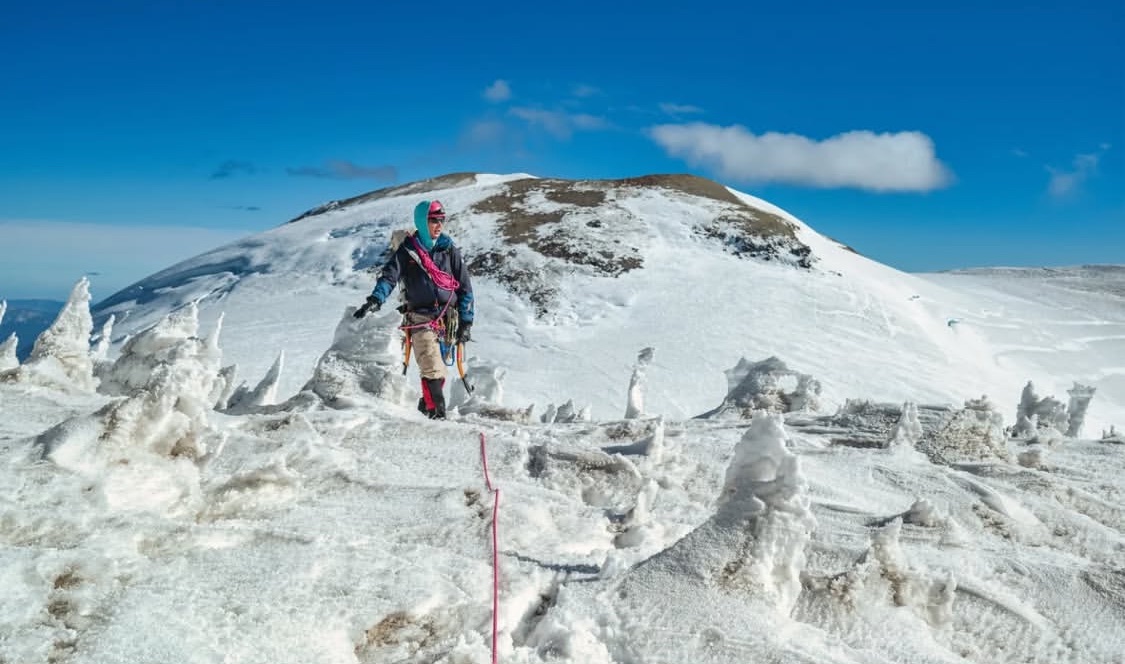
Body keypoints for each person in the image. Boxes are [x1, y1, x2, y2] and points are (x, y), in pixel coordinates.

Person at [354, 199, 474, 419]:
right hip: (420, 318)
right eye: (434, 220)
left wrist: (466, 321)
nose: (439, 224)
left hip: (449, 319)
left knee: (439, 369)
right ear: (422, 221)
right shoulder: (408, 252)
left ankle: (425, 406)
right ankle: (437, 415)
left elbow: (465, 287)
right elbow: (389, 277)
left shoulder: (449, 250)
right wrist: (375, 299)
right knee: (432, 367)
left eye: (441, 220)